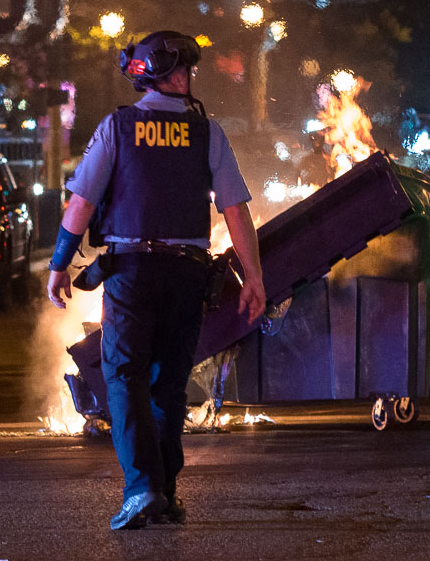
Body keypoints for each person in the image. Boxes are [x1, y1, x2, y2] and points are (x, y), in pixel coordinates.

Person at [46, 31, 267, 530]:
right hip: (188, 273)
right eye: (184, 70)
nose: (189, 78)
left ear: (139, 73)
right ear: (172, 75)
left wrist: (59, 265)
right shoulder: (207, 132)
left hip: (132, 272)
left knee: (124, 377)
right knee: (168, 385)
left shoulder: (118, 128)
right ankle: (166, 493)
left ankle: (142, 488)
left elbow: (80, 204)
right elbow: (236, 210)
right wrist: (254, 277)